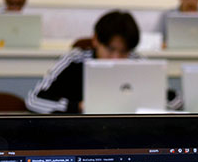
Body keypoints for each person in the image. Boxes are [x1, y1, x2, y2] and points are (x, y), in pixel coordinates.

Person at [26, 10, 182, 114]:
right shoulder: (74, 61)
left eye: (123, 52)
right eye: (110, 49)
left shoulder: (139, 63)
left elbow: (176, 102)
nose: (116, 58)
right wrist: (78, 107)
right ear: (95, 40)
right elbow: (34, 101)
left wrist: (148, 106)